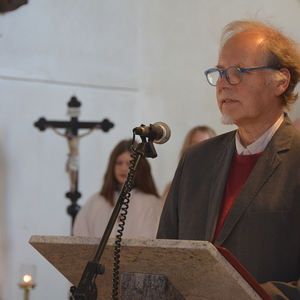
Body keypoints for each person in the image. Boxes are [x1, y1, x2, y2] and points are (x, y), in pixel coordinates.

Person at [157, 19, 300, 299]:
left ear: (280, 81)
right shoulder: (196, 159)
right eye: (220, 73)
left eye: (238, 72)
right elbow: (165, 254)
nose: (222, 84)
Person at [73, 139, 161, 239]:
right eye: (119, 163)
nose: (123, 168)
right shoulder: (96, 201)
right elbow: (80, 235)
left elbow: (151, 239)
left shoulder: (150, 203)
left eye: (129, 163)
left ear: (139, 167)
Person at [161, 125, 216, 206]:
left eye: (206, 144)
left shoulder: (219, 186)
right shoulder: (172, 188)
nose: (201, 149)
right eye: (196, 144)